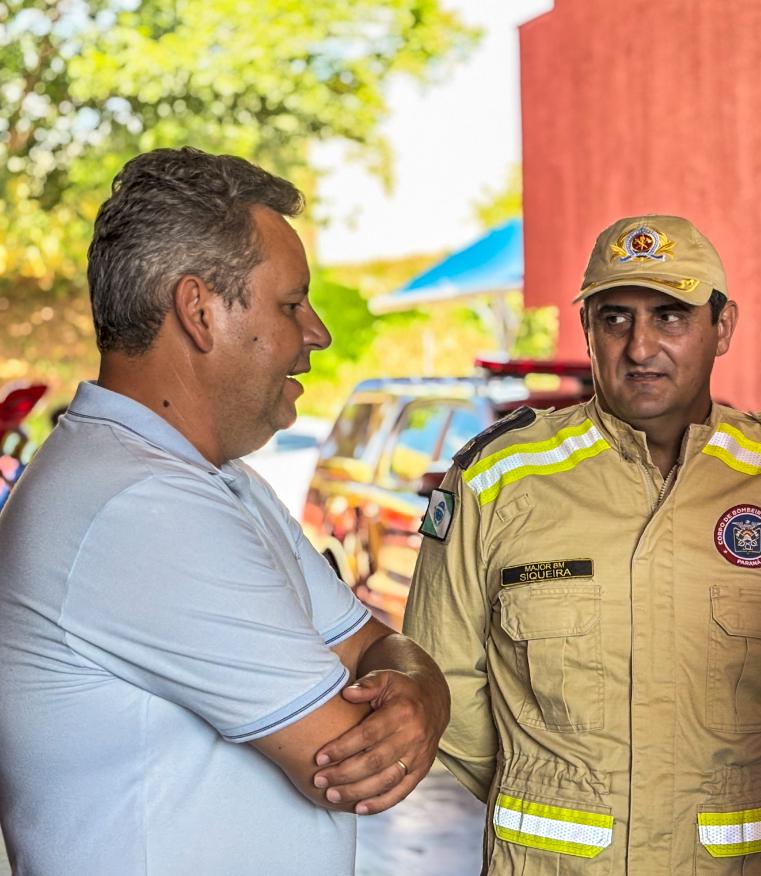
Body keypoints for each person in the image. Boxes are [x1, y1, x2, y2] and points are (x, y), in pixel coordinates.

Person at [0, 147, 450, 875]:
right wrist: (420, 696)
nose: (316, 333)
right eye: (290, 304)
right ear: (199, 311)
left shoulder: (213, 481)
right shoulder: (138, 504)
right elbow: (347, 761)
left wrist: (419, 687)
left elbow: (371, 643)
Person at [404, 214, 761, 874]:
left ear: (723, 327)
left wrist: (732, 790)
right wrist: (551, 787)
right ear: (588, 330)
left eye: (670, 316)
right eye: (614, 317)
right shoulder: (497, 481)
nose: (639, 346)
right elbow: (438, 674)